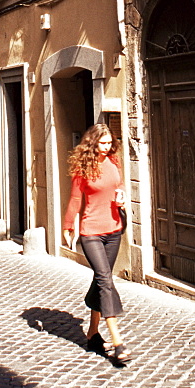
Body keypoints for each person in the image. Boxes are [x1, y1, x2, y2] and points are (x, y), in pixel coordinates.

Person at [62, 123, 133, 362]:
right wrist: (68, 225)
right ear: (93, 143)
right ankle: (117, 340)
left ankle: (92, 332)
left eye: (110, 143)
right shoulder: (83, 167)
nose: (108, 147)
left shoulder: (114, 162)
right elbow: (74, 198)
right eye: (103, 143)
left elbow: (119, 185)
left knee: (101, 278)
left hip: (114, 229)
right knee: (105, 279)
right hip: (91, 232)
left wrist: (121, 195)